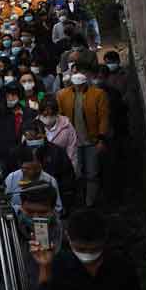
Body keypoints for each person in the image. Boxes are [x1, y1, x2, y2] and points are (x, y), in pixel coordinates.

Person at [33, 207, 143, 290]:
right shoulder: (58, 265)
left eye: (94, 249)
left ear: (104, 239)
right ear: (68, 237)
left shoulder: (122, 266)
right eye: (81, 249)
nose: (88, 254)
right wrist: (44, 266)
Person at [56, 62, 109, 206]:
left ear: (88, 75)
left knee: (92, 174)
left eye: (81, 72)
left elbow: (103, 117)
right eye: (75, 72)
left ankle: (90, 202)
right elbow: (60, 118)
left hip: (92, 141)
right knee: (76, 174)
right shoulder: (62, 95)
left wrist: (101, 139)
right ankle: (78, 202)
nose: (78, 75)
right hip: (73, 143)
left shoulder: (98, 94)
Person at [3, 146, 64, 213]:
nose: (26, 171)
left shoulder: (50, 181)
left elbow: (58, 207)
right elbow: (5, 203)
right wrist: (19, 210)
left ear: (40, 167)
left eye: (30, 169)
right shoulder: (11, 178)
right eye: (25, 168)